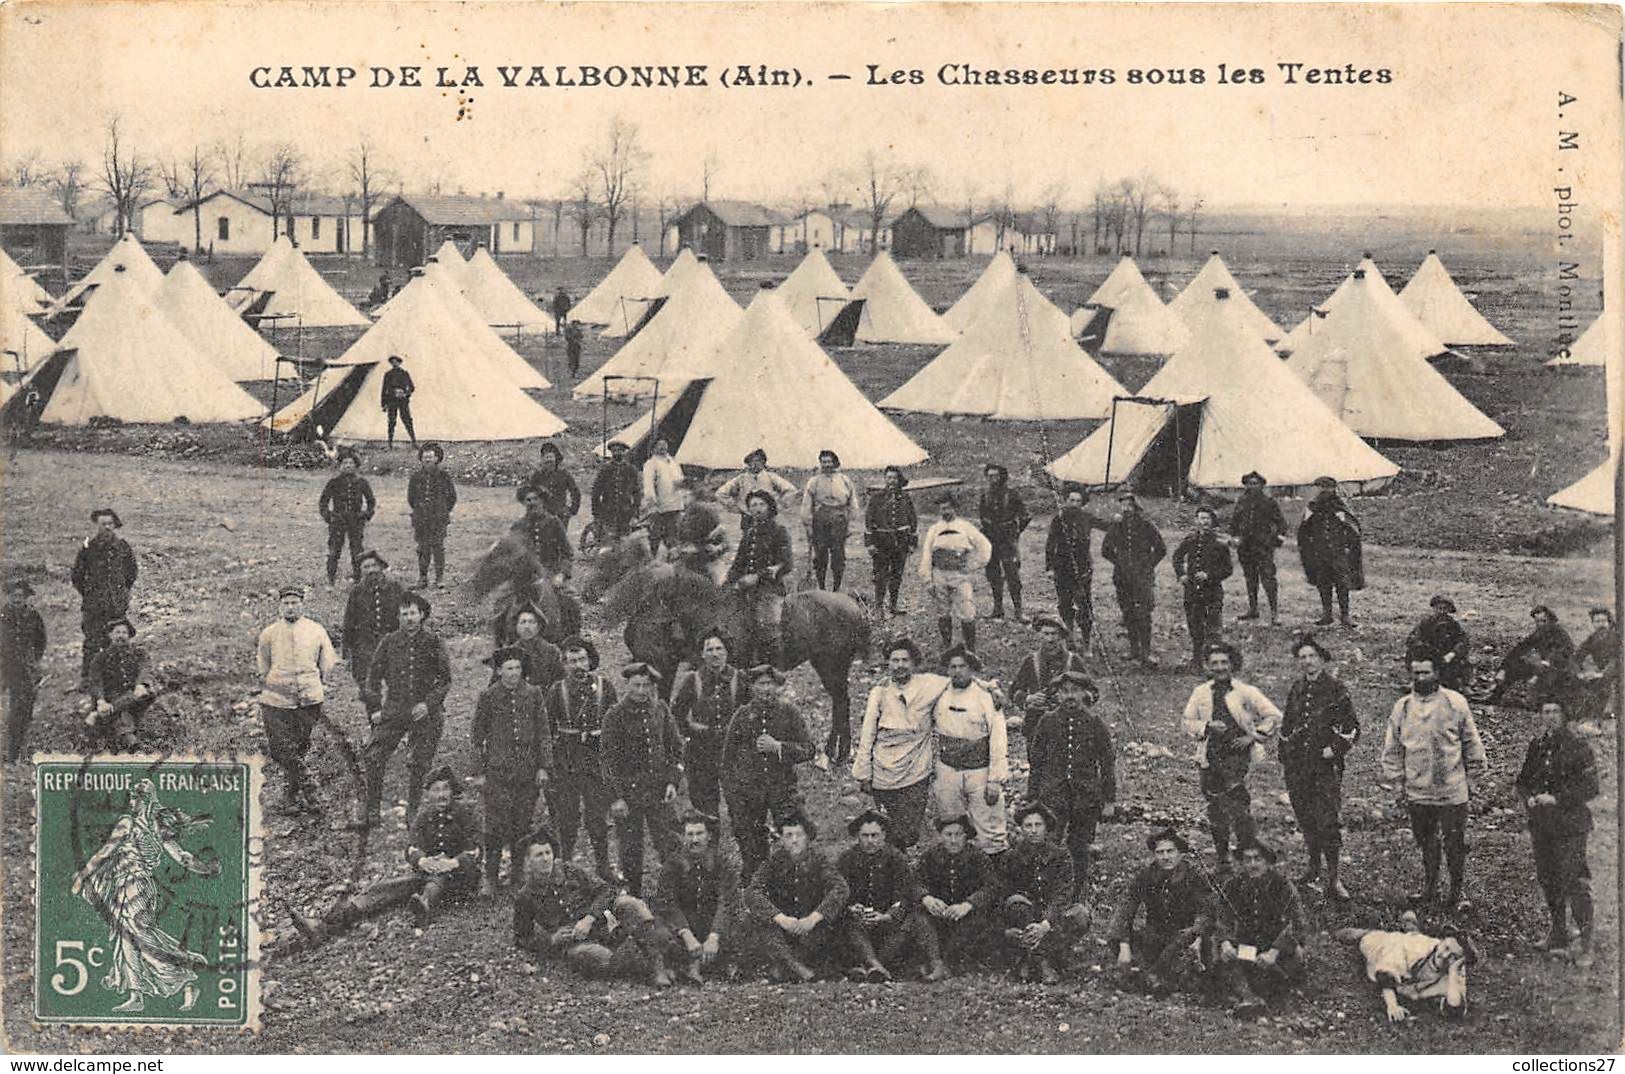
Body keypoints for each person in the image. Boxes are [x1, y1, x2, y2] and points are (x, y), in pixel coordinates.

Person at [69, 778, 217, 1013]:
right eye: (132, 796)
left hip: (136, 884)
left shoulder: (132, 824)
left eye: (137, 797)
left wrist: (82, 876)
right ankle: (140, 993)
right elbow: (183, 858)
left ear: (147, 800)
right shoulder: (146, 826)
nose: (132, 801)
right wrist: (206, 868)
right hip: (125, 885)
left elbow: (180, 856)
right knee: (130, 937)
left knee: (138, 936)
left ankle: (184, 975)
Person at [292, 767, 481, 943]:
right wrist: (422, 860)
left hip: (458, 880)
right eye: (436, 790)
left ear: (452, 791)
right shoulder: (424, 816)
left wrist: (452, 863)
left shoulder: (465, 813)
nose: (441, 795)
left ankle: (424, 905)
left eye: (446, 789)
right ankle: (324, 926)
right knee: (383, 889)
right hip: (426, 874)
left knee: (437, 880)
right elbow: (412, 848)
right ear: (429, 793)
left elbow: (475, 850)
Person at [1380, 651, 1488, 911]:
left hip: (1451, 788)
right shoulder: (1403, 707)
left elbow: (1471, 742)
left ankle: (1457, 892)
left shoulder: (1455, 702)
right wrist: (1396, 782)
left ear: (1437, 673)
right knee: (1426, 840)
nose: (1420, 677)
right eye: (1416, 673)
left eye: (1425, 672)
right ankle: (1430, 888)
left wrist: (1473, 777)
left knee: (1455, 842)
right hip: (1418, 789)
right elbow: (1393, 747)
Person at [512, 826, 679, 986]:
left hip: (604, 923)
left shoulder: (570, 870)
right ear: (528, 861)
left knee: (629, 904)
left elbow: (606, 890)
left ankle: (658, 967)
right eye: (538, 855)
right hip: (576, 943)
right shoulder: (525, 896)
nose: (546, 858)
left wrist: (589, 918)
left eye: (548, 852)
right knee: (595, 958)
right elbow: (522, 937)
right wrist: (551, 939)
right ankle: (645, 964)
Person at [356, 591, 453, 830]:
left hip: (424, 712)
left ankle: (414, 810)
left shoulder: (433, 641)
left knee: (420, 762)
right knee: (373, 756)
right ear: (398, 617)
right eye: (403, 614)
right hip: (394, 710)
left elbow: (445, 680)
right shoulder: (389, 642)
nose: (409, 618)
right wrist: (376, 708)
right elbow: (372, 678)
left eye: (412, 613)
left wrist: (429, 704)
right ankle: (372, 810)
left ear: (421, 615)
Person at [1516, 692, 1599, 967]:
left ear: (1565, 715)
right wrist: (1529, 797)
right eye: (1545, 711)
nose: (1550, 716)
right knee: (1548, 878)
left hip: (1571, 825)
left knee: (1574, 880)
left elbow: (1590, 788)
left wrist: (1557, 798)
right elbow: (1524, 780)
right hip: (1543, 824)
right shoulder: (1538, 745)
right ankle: (1558, 934)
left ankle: (1587, 943)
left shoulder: (1578, 746)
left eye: (1555, 711)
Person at [1181, 642, 1281, 869]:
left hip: (1237, 756)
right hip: (1211, 755)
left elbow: (1273, 716)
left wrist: (1253, 736)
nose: (1219, 667)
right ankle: (1223, 856)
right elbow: (1186, 722)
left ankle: (1249, 854)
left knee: (1237, 805)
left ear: (1232, 664)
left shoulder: (1245, 691)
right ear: (1207, 666)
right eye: (1214, 663)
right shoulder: (1201, 692)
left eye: (1224, 662)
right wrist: (1206, 726)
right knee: (1215, 806)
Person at [1279, 636, 1359, 899]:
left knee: (1328, 821)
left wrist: (1333, 749)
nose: (1307, 661)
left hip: (1324, 767)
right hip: (1299, 766)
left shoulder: (1336, 688)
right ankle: (1313, 867)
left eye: (1312, 656)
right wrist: (1286, 756)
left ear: (1321, 659)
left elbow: (1352, 728)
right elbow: (1287, 725)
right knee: (1306, 817)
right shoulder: (1297, 688)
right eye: (1302, 657)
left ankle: (1334, 878)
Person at [854, 638, 952, 851]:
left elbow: (959, 679)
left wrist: (990, 687)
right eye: (895, 660)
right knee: (887, 828)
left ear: (914, 663)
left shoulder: (928, 684)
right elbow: (867, 734)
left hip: (915, 770)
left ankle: (900, 862)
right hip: (883, 772)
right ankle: (893, 868)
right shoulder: (879, 693)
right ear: (888, 663)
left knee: (908, 832)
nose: (900, 665)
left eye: (905, 660)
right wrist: (863, 772)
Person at [720, 664, 816, 877]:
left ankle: (797, 879)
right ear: (752, 687)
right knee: (751, 845)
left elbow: (809, 750)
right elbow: (727, 760)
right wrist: (733, 796)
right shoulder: (742, 716)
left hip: (782, 788)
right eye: (761, 684)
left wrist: (780, 747)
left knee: (796, 836)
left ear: (777, 687)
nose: (766, 689)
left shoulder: (789, 712)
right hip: (749, 792)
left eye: (770, 684)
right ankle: (757, 885)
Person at [472, 646, 554, 896]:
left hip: (526, 773)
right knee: (495, 826)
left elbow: (543, 733)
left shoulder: (533, 694)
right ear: (498, 671)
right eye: (508, 668)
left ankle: (518, 874)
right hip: (497, 772)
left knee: (522, 824)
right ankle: (490, 877)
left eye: (517, 668)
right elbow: (477, 737)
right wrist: (479, 772)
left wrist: (543, 766)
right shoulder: (488, 696)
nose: (513, 673)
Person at [1027, 669, 1116, 888]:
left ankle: (1076, 891)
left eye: (1075, 691)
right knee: (1049, 844)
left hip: (1085, 797)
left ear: (1085, 694)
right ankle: (1047, 890)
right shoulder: (1047, 721)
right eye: (1064, 691)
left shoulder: (1095, 723)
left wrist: (1109, 801)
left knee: (1080, 846)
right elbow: (1036, 763)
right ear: (1056, 695)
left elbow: (1107, 764)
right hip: (1053, 795)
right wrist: (1032, 796)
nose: (1069, 696)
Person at [601, 662, 683, 896]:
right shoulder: (615, 715)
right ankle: (635, 896)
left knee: (669, 842)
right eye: (635, 685)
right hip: (629, 794)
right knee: (630, 848)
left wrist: (672, 781)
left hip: (659, 791)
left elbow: (675, 748)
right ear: (627, 685)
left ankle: (672, 893)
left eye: (646, 685)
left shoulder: (661, 710)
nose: (640, 690)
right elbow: (607, 760)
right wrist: (616, 797)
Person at [256, 585, 338, 814]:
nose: (290, 607)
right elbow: (263, 667)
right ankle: (311, 787)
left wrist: (317, 682)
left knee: (299, 747)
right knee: (280, 748)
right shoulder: (269, 633)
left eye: (294, 603)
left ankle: (291, 797)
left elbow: (327, 662)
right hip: (276, 700)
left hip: (309, 697)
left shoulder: (316, 630)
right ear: (279, 606)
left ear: (302, 604)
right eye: (286, 603)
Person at [544, 637, 618, 881]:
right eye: (572, 661)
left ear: (590, 660)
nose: (578, 666)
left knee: (597, 815)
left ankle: (603, 864)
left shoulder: (604, 686)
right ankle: (564, 863)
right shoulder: (557, 690)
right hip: (567, 760)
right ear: (564, 664)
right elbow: (546, 727)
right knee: (567, 815)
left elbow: (615, 721)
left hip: (596, 759)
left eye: (582, 660)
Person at [743, 814, 849, 983]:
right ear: (781, 840)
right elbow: (752, 891)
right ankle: (799, 969)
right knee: (755, 919)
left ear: (807, 837)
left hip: (812, 929)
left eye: (799, 835)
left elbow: (840, 888)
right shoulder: (773, 862)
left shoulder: (819, 860)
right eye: (788, 836)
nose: (794, 840)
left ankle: (785, 966)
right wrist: (780, 918)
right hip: (783, 931)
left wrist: (814, 918)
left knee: (841, 919)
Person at [1211, 838, 1310, 1016]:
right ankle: (1249, 998)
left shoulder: (1283, 886)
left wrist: (1274, 951)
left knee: (1294, 961)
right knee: (1221, 955)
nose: (1252, 864)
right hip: (1248, 950)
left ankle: (1279, 1000)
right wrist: (1225, 941)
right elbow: (1222, 917)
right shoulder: (1233, 885)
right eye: (1247, 860)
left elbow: (1297, 923)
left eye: (1258, 859)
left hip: (1277, 951)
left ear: (1267, 861)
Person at [1108, 830, 1213, 996]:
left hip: (1184, 938)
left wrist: (1198, 935)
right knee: (1117, 938)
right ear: (1154, 855)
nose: (1165, 857)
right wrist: (1124, 944)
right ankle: (1154, 977)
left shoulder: (1194, 876)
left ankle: (1151, 976)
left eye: (1170, 851)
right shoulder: (1147, 876)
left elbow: (1206, 910)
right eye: (1160, 852)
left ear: (1180, 854)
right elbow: (1126, 907)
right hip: (1156, 937)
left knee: (1194, 945)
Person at [836, 810, 936, 982]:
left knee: (912, 922)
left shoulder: (896, 859)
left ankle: (870, 966)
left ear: (884, 835)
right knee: (846, 924)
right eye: (864, 836)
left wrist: (887, 915)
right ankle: (875, 965)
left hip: (888, 925)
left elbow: (905, 895)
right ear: (857, 837)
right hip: (858, 925)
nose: (870, 841)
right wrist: (852, 907)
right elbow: (839, 891)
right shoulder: (847, 859)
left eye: (874, 835)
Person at [931, 646, 1010, 855]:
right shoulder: (939, 691)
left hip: (979, 770)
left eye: (962, 666)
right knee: (952, 826)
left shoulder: (985, 696)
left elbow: (999, 739)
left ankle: (996, 873)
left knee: (990, 828)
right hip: (948, 768)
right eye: (952, 667)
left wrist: (995, 780)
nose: (957, 671)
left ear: (971, 669)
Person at [998, 803, 1086, 984]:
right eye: (1028, 826)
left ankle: (1036, 959)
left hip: (1051, 917)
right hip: (1024, 917)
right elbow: (1003, 893)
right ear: (1021, 829)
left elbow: (1064, 893)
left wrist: (1046, 924)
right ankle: (1041, 962)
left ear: (1047, 828)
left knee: (1081, 915)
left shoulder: (1061, 856)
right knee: (1016, 902)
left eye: (1038, 825)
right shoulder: (1011, 857)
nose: (1033, 830)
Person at [652, 813, 743, 984]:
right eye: (690, 834)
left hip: (712, 924)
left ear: (709, 836)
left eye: (700, 834)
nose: (695, 840)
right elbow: (667, 903)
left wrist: (715, 935)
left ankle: (712, 964)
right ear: (683, 837)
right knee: (660, 931)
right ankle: (688, 965)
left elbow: (727, 902)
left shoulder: (722, 863)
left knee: (741, 923)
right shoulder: (672, 865)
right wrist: (686, 935)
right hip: (683, 926)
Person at [670, 632, 748, 827]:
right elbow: (675, 716)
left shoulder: (740, 678)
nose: (715, 654)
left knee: (742, 807)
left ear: (727, 652)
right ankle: (710, 852)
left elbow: (753, 713)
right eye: (709, 649)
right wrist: (692, 732)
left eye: (719, 648)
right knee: (705, 811)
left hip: (734, 753)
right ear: (702, 655)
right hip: (701, 754)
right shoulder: (692, 680)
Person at [917, 815, 1001, 979]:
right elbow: (914, 883)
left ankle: (949, 963)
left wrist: (968, 904)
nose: (953, 840)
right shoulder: (929, 857)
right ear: (940, 836)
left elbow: (991, 887)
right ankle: (936, 963)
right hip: (939, 916)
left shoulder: (979, 857)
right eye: (948, 835)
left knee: (981, 920)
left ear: (966, 836)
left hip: (966, 917)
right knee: (918, 918)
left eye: (958, 834)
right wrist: (927, 898)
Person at [72, 507, 137, 691]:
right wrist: (90, 593)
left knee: (115, 641)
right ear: (97, 526)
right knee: (92, 641)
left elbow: (131, 573)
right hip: (93, 606)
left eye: (110, 524)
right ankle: (87, 681)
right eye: (103, 524)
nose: (107, 527)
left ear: (115, 525)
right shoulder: (88, 548)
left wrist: (120, 593)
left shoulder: (123, 547)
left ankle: (115, 681)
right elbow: (77, 575)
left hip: (115, 606)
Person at [726, 490, 793, 669]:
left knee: (768, 627)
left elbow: (786, 563)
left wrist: (757, 577)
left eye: (761, 504)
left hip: (770, 588)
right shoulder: (749, 533)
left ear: (770, 507)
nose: (757, 509)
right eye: (753, 505)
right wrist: (729, 583)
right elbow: (738, 563)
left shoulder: (779, 531)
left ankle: (776, 669)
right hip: (745, 588)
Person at [918, 493, 993, 651]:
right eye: (941, 508)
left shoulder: (965, 527)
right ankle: (947, 646)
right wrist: (927, 579)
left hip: (960, 575)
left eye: (947, 508)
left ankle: (970, 649)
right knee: (943, 611)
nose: (944, 511)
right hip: (939, 573)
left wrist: (972, 565)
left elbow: (985, 546)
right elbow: (926, 554)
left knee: (967, 611)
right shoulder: (934, 529)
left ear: (954, 508)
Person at [1101, 492, 1166, 666]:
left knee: (1143, 613)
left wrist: (1147, 565)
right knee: (1128, 613)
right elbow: (1105, 550)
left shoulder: (1147, 526)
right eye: (1123, 505)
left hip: (1143, 578)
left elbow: (1161, 549)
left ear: (1136, 507)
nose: (1126, 509)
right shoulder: (1116, 527)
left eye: (1129, 505)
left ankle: (1146, 651)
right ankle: (1133, 650)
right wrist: (1120, 563)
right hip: (1122, 578)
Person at [1044, 482, 1110, 643]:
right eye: (1071, 500)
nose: (1074, 504)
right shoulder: (1059, 519)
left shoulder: (1087, 518)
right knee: (1065, 604)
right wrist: (1050, 567)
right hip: (1062, 569)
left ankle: (1087, 642)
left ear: (1082, 503)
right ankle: (1069, 637)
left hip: (1082, 570)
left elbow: (1107, 526)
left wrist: (1115, 518)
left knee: (1084, 606)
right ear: (1066, 500)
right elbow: (1050, 544)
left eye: (1078, 501)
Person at [341, 550, 405, 713]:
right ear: (361, 571)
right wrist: (347, 652)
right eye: (366, 567)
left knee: (398, 686)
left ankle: (393, 723)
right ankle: (375, 725)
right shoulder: (357, 592)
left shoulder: (395, 588)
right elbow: (349, 623)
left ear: (382, 567)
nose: (370, 570)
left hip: (392, 644)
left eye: (374, 566)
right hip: (365, 647)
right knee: (369, 689)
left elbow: (409, 614)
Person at [1172, 506, 1233, 670]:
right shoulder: (1190, 539)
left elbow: (1228, 569)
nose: (1204, 522)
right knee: (1195, 625)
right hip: (1192, 591)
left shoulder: (1219, 542)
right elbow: (1177, 557)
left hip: (1212, 592)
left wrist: (1209, 575)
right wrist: (1181, 575)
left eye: (1207, 518)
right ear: (1196, 520)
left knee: (1213, 628)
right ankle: (1197, 660)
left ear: (1212, 521)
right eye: (1201, 518)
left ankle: (1215, 662)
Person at [1298, 476, 1363, 627]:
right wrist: (1310, 547)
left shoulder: (1340, 506)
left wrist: (1348, 546)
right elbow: (1304, 529)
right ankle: (1327, 614)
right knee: (1323, 582)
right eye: (1321, 487)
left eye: (1327, 487)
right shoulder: (1312, 506)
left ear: (1334, 489)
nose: (1324, 490)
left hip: (1338, 552)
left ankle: (1345, 616)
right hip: (1320, 552)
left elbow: (1352, 527)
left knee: (1342, 583)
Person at [1008, 615, 1088, 735]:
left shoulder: (1073, 661)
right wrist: (1029, 698)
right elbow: (1014, 691)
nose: (1050, 639)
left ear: (1061, 636)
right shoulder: (1030, 661)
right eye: (1046, 634)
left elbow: (1092, 692)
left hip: (1068, 724)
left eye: (1054, 634)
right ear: (1039, 635)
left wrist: (1070, 698)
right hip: (1036, 723)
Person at [85, 618, 153, 752]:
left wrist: (140, 684)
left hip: (136, 693)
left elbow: (145, 668)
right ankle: (131, 742)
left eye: (124, 633)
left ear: (129, 636)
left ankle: (97, 715)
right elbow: (95, 681)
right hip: (115, 695)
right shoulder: (101, 658)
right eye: (117, 633)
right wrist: (100, 701)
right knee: (123, 713)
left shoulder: (139, 653)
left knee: (145, 694)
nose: (120, 636)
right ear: (110, 635)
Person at [1228, 472, 1288, 624]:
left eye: (1256, 483)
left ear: (1262, 485)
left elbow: (1281, 523)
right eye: (1249, 483)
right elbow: (1234, 523)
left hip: (1263, 547)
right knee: (1250, 578)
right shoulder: (1241, 501)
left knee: (1268, 579)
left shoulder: (1269, 502)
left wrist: (1277, 539)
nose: (1252, 486)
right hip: (1245, 547)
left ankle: (1274, 614)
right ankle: (1253, 609)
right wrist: (1235, 537)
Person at [1488, 605, 1576, 706]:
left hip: (1560, 671)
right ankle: (1495, 697)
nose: (1540, 624)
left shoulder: (1561, 634)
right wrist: (1503, 669)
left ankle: (1542, 702)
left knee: (1546, 689)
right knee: (1515, 666)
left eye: (1544, 621)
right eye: (1537, 622)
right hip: (1544, 669)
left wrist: (1546, 664)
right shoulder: (1539, 634)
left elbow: (1565, 653)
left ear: (1551, 620)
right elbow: (1519, 649)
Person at [801, 449, 861, 592]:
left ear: (835, 463)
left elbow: (852, 503)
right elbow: (806, 504)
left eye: (829, 462)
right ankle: (821, 586)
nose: (826, 465)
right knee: (820, 554)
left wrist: (851, 524)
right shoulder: (814, 481)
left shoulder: (844, 480)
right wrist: (808, 524)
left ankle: (836, 588)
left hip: (839, 519)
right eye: (823, 462)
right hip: (820, 519)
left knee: (838, 554)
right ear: (820, 463)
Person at [979, 463, 1032, 621]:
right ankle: (997, 609)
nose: (993, 479)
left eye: (995, 476)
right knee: (993, 574)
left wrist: (1015, 532)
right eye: (989, 476)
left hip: (1007, 541)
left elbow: (1026, 516)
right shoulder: (985, 495)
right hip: (991, 539)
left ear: (1002, 476)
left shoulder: (1012, 494)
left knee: (1012, 575)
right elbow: (982, 515)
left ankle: (1018, 612)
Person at [1, 578, 46, 762]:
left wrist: (33, 661)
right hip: (7, 668)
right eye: (14, 596)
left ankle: (21, 749)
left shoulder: (33, 615)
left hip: (28, 668)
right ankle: (12, 752)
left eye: (20, 596)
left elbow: (41, 641)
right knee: (14, 709)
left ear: (26, 598)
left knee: (26, 709)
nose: (17, 599)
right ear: (8, 597)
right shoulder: (2, 616)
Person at [864, 465, 918, 617]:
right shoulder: (876, 498)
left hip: (901, 542)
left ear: (898, 479)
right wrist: (870, 543)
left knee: (896, 575)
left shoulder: (905, 498)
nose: (891, 481)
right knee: (880, 575)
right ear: (885, 479)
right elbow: (869, 521)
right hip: (881, 542)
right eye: (888, 478)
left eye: (894, 478)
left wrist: (913, 542)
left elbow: (913, 520)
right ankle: (878, 607)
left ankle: (893, 605)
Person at [319, 449, 376, 586]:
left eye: (351, 463)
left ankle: (358, 578)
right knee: (334, 550)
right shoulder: (333, 482)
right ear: (340, 466)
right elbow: (323, 502)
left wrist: (365, 515)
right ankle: (331, 579)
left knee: (357, 550)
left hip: (356, 521)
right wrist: (329, 516)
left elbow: (371, 501)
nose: (348, 466)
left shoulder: (362, 482)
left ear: (355, 466)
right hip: (338, 521)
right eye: (345, 463)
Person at [407, 443, 457, 589]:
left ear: (437, 458)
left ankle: (439, 578)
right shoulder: (416, 477)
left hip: (438, 519)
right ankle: (423, 578)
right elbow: (411, 498)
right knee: (423, 548)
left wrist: (442, 511)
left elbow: (452, 497)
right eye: (425, 457)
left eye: (431, 456)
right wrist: (420, 511)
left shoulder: (444, 476)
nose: (427, 459)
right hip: (421, 519)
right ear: (421, 459)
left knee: (438, 547)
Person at [717, 449, 797, 528]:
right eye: (751, 461)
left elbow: (791, 490)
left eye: (758, 461)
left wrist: (778, 505)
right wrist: (737, 508)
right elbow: (720, 493)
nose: (755, 464)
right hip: (749, 517)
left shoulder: (771, 477)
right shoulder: (741, 479)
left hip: (768, 516)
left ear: (763, 462)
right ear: (748, 463)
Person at [1407, 596, 1472, 692]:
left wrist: (1452, 653)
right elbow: (1412, 639)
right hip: (1428, 656)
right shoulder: (1426, 623)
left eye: (1445, 609)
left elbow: (1463, 641)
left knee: (1463, 661)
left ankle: (1464, 684)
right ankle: (1415, 680)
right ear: (1434, 609)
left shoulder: (1453, 625)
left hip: (1447, 659)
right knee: (1412, 654)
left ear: (1449, 610)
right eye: (1439, 608)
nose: (1441, 611)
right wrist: (1424, 649)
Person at [512, 484, 573, 584]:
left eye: (536, 499)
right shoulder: (519, 525)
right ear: (523, 503)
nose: (532, 503)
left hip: (550, 574)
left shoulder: (554, 522)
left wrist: (561, 574)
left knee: (572, 597)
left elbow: (567, 553)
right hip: (525, 576)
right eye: (528, 500)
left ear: (542, 501)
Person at [1570, 607, 1619, 724]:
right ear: (1592, 623)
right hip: (1604, 676)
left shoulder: (1618, 637)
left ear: (1609, 622)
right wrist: (1579, 673)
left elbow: (1617, 660)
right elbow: (1575, 658)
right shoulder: (1592, 639)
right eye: (1597, 621)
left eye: (1603, 621)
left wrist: (1602, 674)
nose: (1601, 625)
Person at [642, 438, 687, 558]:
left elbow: (679, 479)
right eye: (660, 445)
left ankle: (671, 559)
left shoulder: (672, 462)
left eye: (665, 445)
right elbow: (648, 485)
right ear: (654, 448)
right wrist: (652, 503)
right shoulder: (651, 463)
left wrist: (681, 486)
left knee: (674, 533)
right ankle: (653, 558)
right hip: (660, 505)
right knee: (656, 534)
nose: (663, 448)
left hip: (675, 504)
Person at [504, 606, 565, 691]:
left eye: (531, 622)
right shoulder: (508, 653)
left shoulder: (552, 651)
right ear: (516, 627)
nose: (527, 626)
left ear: (539, 627)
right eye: (522, 622)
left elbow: (561, 682)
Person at [592, 440, 642, 543]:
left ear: (624, 452)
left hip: (626, 512)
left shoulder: (631, 469)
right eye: (614, 451)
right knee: (608, 542)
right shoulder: (605, 469)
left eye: (620, 451)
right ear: (611, 452)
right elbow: (596, 491)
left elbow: (636, 492)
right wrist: (596, 511)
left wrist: (635, 511)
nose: (617, 453)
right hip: (608, 511)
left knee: (626, 542)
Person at [527, 443, 581, 527]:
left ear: (555, 459)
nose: (549, 460)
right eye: (546, 457)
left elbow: (575, 492)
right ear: (542, 459)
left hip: (560, 515)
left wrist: (572, 510)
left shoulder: (564, 474)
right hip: (542, 515)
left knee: (560, 538)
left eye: (551, 457)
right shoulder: (537, 475)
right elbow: (529, 494)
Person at [381, 354, 417, 449]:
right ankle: (390, 443)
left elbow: (412, 387)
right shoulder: (388, 374)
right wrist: (384, 404)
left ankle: (414, 441)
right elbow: (384, 389)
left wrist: (405, 394)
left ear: (399, 362)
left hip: (403, 401)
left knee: (407, 420)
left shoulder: (404, 373)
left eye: (396, 361)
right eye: (392, 362)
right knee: (391, 421)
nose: (394, 363)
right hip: (392, 400)